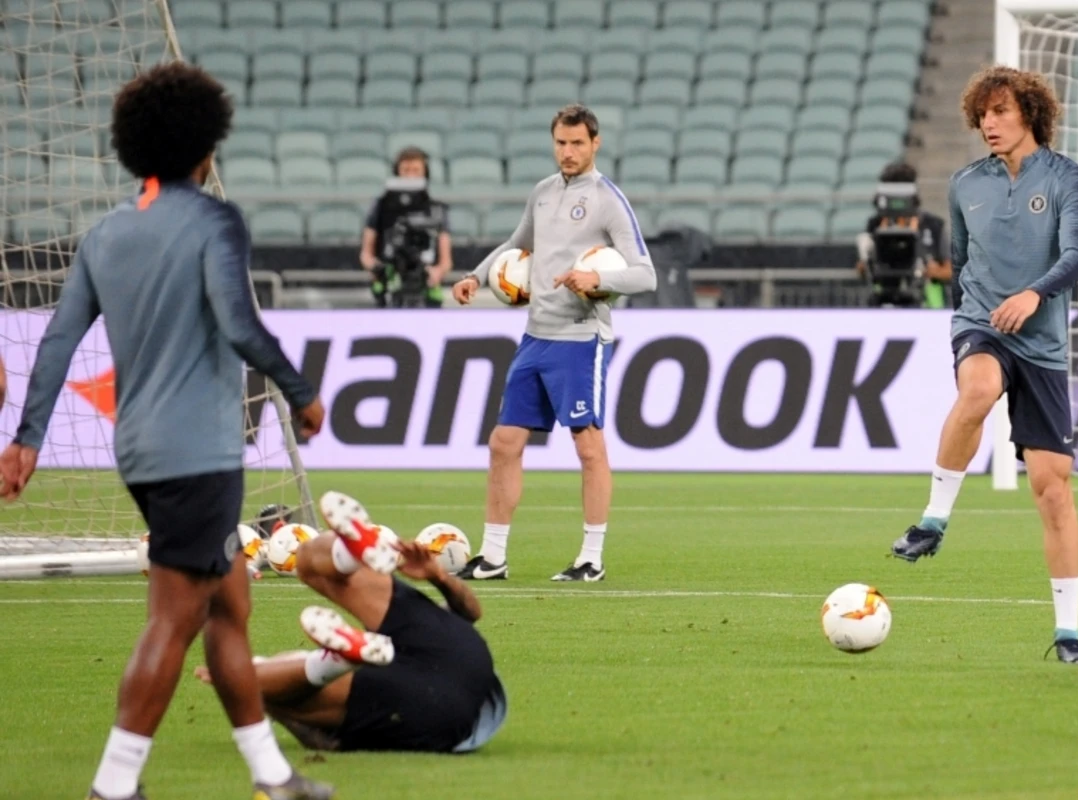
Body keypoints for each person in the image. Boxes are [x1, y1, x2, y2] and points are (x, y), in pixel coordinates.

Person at [0, 64, 332, 799]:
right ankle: (113, 786)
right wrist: (302, 392)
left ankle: (272, 776)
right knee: (176, 616)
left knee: (230, 603)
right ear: (206, 147)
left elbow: (56, 340)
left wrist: (26, 438)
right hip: (200, 455)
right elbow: (239, 324)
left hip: (141, 451)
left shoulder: (107, 234)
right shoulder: (215, 221)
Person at [888, 66, 1078, 664]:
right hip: (981, 323)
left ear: (1029, 113)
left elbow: (1077, 253)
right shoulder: (964, 184)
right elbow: (958, 259)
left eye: (1000, 111)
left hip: (1043, 343)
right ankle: (933, 519)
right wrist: (966, 325)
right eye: (982, 114)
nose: (988, 123)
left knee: (1051, 489)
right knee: (976, 390)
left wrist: (1034, 294)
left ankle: (1068, 632)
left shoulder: (1065, 180)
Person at [449, 104, 657, 583]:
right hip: (535, 336)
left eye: (577, 144)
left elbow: (645, 274)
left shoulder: (608, 199)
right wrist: (475, 277)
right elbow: (516, 244)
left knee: (588, 447)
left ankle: (591, 558)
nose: (568, 152)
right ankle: (493, 556)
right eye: (561, 143)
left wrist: (597, 277)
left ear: (595, 144)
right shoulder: (542, 193)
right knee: (504, 443)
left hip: (581, 338)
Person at [195, 490, 507, 756]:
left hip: (444, 693)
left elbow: (471, 613)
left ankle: (333, 648)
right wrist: (438, 576)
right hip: (461, 663)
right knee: (307, 569)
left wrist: (442, 581)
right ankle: (345, 568)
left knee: (264, 688)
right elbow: (470, 613)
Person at [359, 146, 452, 308]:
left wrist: (436, 272)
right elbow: (366, 254)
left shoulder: (436, 209)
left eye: (416, 170)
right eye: (405, 170)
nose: (410, 175)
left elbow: (446, 261)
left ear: (425, 173)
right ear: (397, 172)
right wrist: (377, 269)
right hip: (391, 282)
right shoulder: (381, 207)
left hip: (425, 284)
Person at [855, 161, 954, 308]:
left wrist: (929, 271)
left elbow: (950, 271)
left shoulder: (933, 225)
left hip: (925, 305)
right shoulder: (876, 224)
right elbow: (863, 270)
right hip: (883, 302)